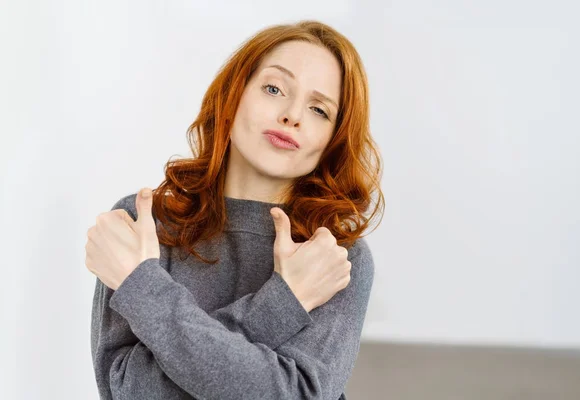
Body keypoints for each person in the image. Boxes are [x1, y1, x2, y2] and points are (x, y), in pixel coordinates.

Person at [89, 19, 384, 399]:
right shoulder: (143, 223)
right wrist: (284, 303)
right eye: (274, 88)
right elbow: (131, 391)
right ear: (234, 95)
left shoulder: (336, 256)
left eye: (319, 110)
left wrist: (144, 289)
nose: (292, 115)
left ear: (333, 140)